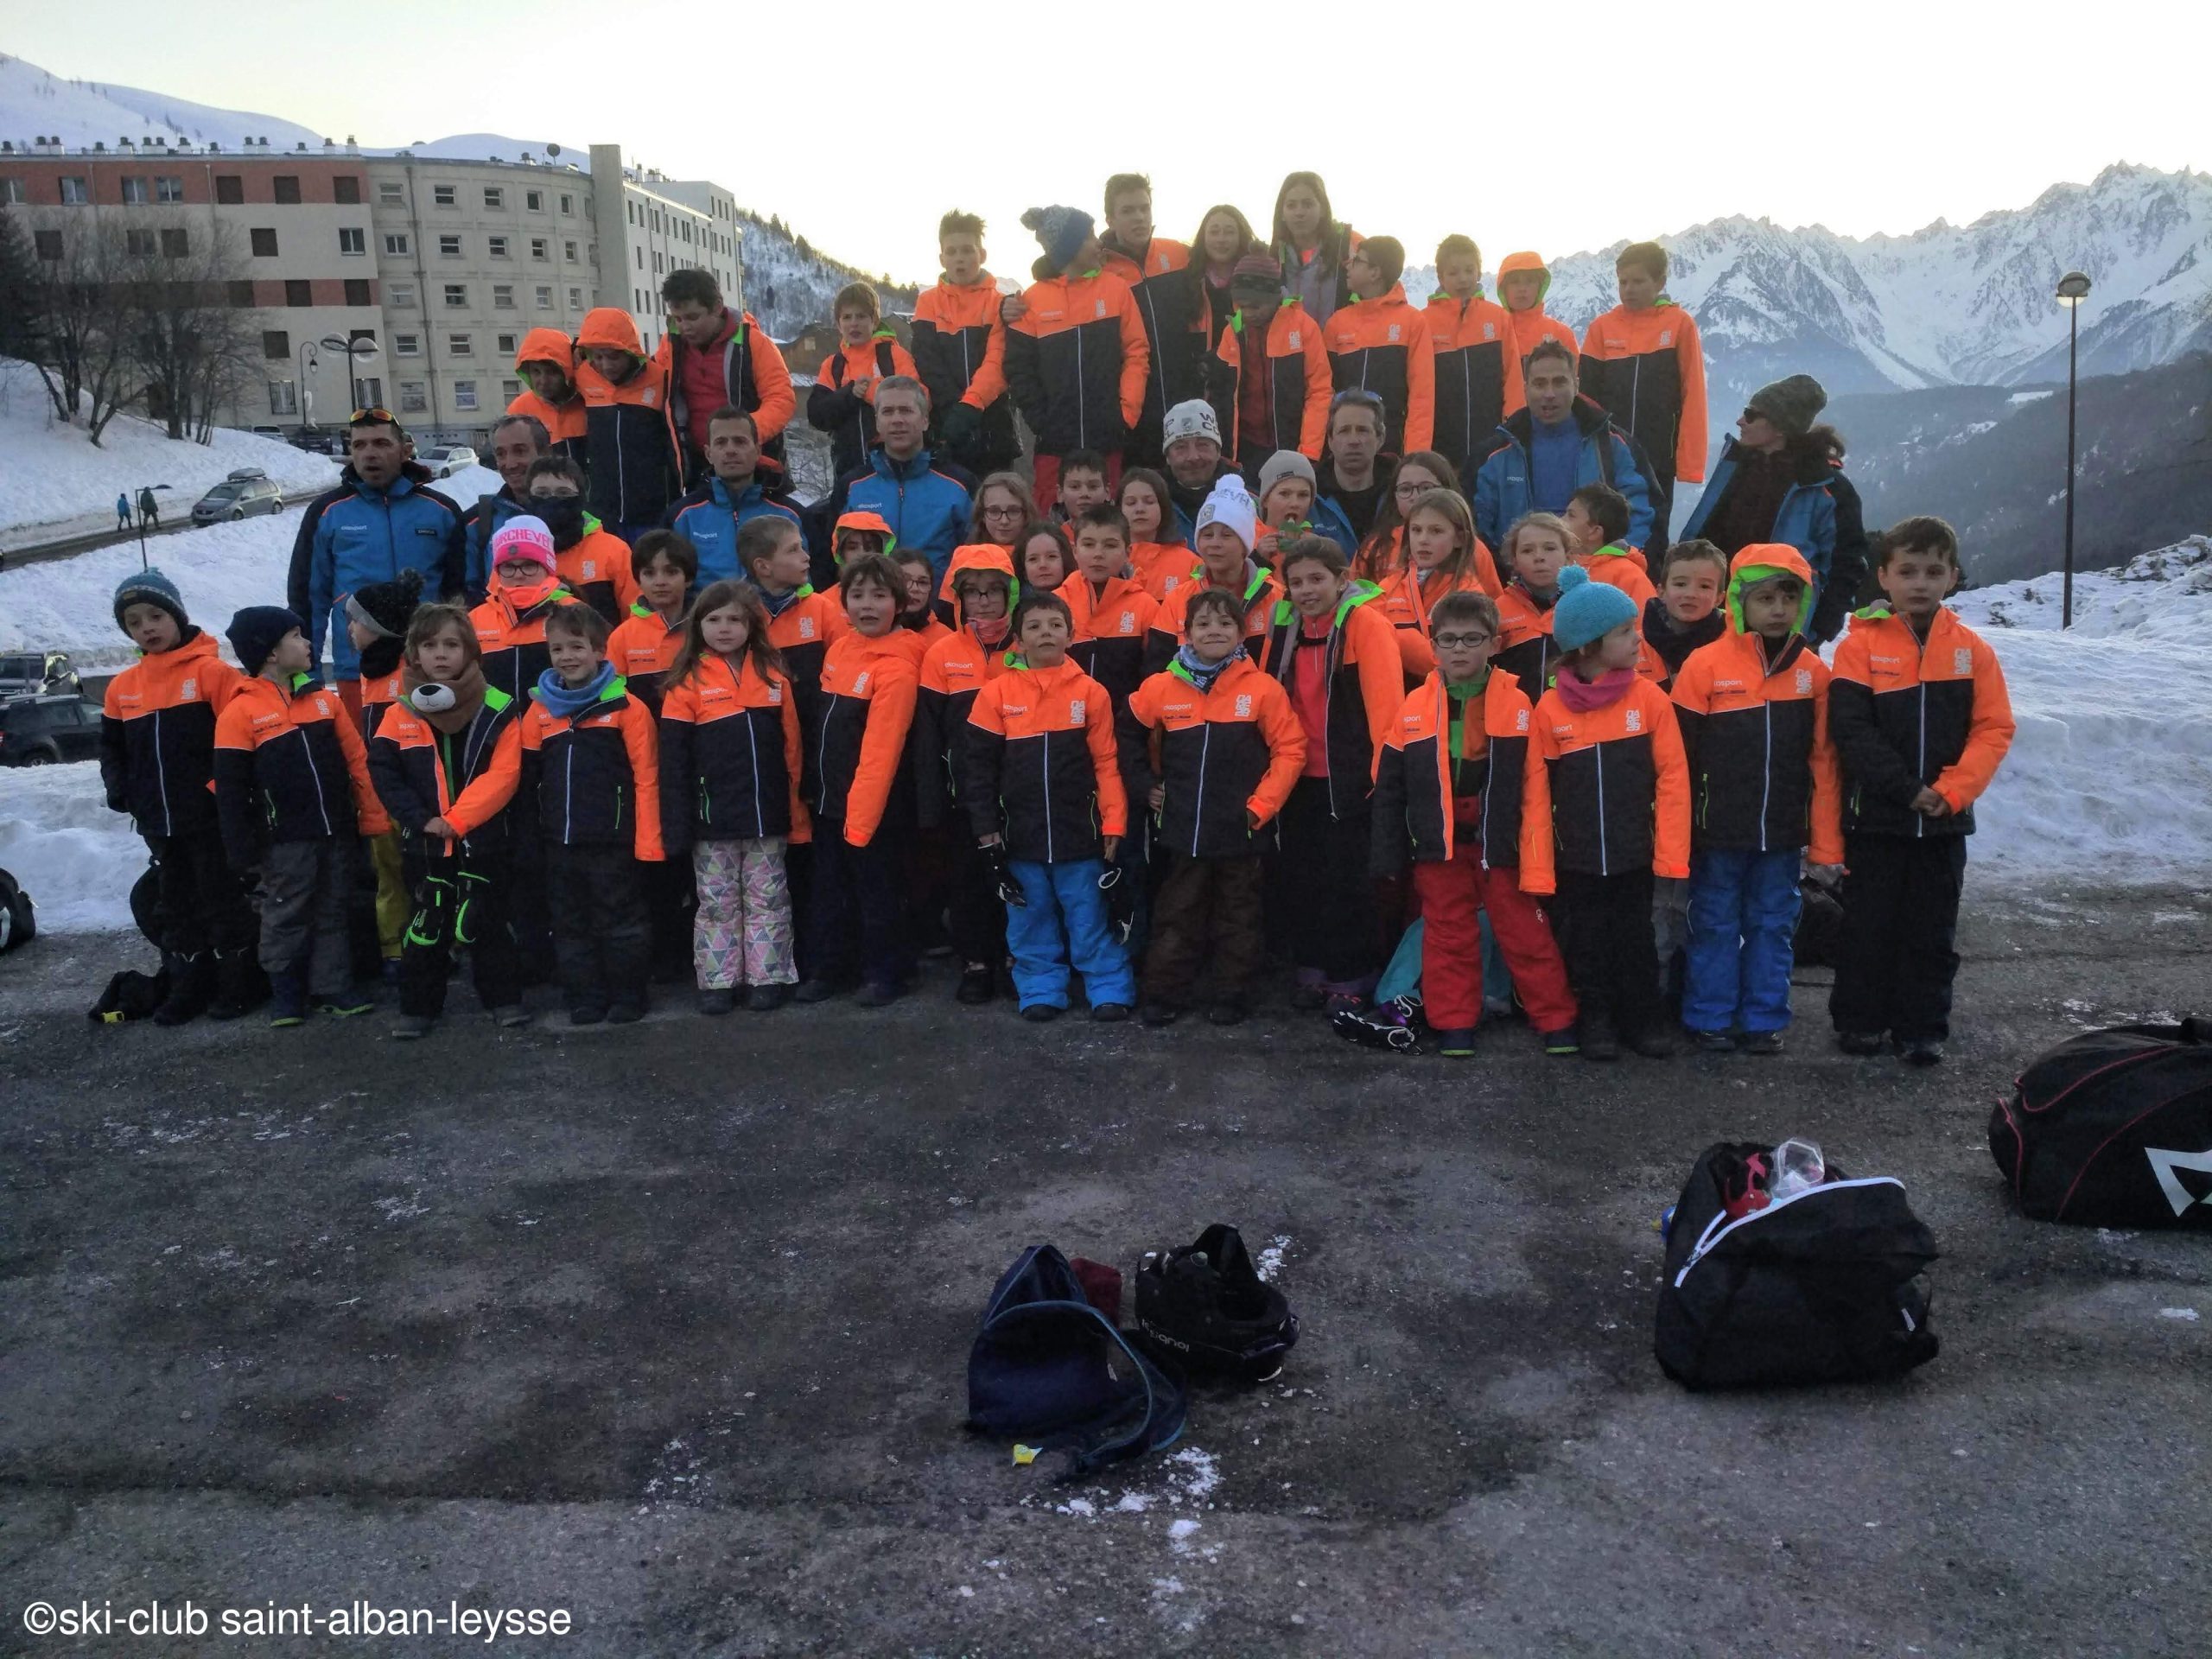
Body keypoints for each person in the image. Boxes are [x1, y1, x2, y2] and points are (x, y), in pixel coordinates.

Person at [1827, 517, 2015, 1065]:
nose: (1920, 582)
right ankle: (1860, 1022)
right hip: (1877, 821)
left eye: (1934, 571)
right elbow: (1851, 731)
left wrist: (1950, 792)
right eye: (1907, 571)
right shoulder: (1857, 649)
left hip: (1943, 824)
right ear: (1883, 576)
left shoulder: (1972, 651)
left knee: (1931, 930)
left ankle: (1922, 1026)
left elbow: (1994, 728)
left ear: (1953, 577)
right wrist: (1907, 790)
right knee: (1868, 926)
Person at [1370, 589, 1579, 1058]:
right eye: (1448, 640)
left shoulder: (1519, 702)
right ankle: (1453, 1023)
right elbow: (1389, 789)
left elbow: (1537, 783)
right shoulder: (1412, 708)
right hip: (1437, 843)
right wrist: (1387, 853)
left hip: (1499, 841)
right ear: (1433, 644)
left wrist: (1538, 848)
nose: (1459, 649)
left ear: (1493, 643)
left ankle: (1557, 1019)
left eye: (1472, 639)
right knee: (1447, 935)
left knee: (1524, 931)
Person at [1669, 547, 1844, 1055]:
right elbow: (1677, 760)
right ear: (1739, 602)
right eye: (1764, 598)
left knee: (1774, 925)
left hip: (1783, 833)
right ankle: (1709, 1016)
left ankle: (1763, 1018)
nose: (1777, 609)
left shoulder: (1814, 674)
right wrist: (1678, 833)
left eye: (1789, 598)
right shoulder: (1704, 666)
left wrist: (1825, 842)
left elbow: (1825, 763)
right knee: (1715, 923)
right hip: (1718, 829)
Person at [1520, 574, 1689, 1061]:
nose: (1638, 638)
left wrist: (1670, 852)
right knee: (1587, 943)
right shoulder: (1550, 710)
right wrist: (1539, 863)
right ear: (1589, 646)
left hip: (1635, 854)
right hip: (1577, 858)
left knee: (1638, 940)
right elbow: (1536, 792)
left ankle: (1642, 1019)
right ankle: (1594, 1019)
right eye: (1624, 632)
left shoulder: (1650, 698)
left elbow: (1673, 778)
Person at [1127, 586, 1306, 1025]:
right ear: (1185, 633)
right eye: (1203, 623)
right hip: (1182, 828)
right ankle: (1165, 994)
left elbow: (1292, 749)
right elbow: (1126, 738)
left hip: (1241, 830)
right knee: (1177, 914)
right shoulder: (1158, 688)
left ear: (1242, 633)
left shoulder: (1262, 690)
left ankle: (1232, 994)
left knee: (1238, 917)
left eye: (1225, 623)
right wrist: (1143, 785)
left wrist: (1261, 807)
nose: (1214, 631)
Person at [964, 590, 1136, 1020]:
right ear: (1018, 641)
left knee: (1090, 917)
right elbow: (979, 769)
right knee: (1029, 919)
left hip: (1080, 835)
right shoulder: (995, 695)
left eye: (1055, 625)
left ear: (1071, 635)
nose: (1046, 633)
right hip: (1020, 837)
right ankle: (1040, 987)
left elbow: (1107, 763)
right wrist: (986, 828)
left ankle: (1108, 986)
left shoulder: (1092, 694)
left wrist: (1113, 823)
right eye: (1035, 626)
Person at [214, 607, 389, 1027]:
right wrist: (242, 848)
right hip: (283, 840)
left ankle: (333, 986)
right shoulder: (239, 713)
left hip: (335, 830)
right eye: (296, 636)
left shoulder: (324, 702)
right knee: (284, 911)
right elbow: (231, 789)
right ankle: (286, 992)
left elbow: (357, 763)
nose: (308, 643)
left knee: (333, 907)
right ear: (271, 654)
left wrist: (372, 817)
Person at [367, 602, 530, 1039]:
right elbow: (384, 775)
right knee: (425, 927)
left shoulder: (498, 706)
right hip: (424, 843)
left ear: (471, 652)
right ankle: (419, 1008)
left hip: (484, 839)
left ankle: (504, 1000)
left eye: (452, 644)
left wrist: (457, 821)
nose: (441, 654)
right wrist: (421, 820)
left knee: (490, 921)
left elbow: (505, 775)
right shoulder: (398, 712)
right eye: (429, 644)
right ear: (414, 654)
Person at [100, 569, 254, 1025]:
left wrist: (217, 791)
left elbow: (243, 738)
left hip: (208, 819)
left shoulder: (213, 673)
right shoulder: (121, 688)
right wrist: (121, 790)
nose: (147, 627)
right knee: (177, 907)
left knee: (222, 900)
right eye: (134, 621)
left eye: (155, 615)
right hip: (158, 822)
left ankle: (239, 986)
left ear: (177, 615)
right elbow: (111, 748)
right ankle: (189, 988)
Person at [1259, 538, 1404, 1010]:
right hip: (1298, 776)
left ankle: (1353, 974)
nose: (1305, 590)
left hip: (1350, 778)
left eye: (1317, 579)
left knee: (1350, 881)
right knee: (1303, 876)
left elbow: (1387, 710)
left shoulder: (1367, 625)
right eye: (1296, 581)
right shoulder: (1285, 627)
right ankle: (1314, 964)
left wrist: (1383, 781)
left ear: (1342, 580)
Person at [658, 579, 807, 1014]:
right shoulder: (683, 685)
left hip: (767, 817)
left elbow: (792, 751)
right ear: (698, 624)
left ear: (752, 626)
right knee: (717, 903)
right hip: (712, 823)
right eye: (714, 619)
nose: (725, 628)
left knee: (768, 899)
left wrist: (795, 812)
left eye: (735, 619)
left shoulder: (775, 678)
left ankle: (767, 976)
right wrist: (677, 827)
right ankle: (719, 981)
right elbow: (673, 766)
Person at [519, 602, 664, 1026]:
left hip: (613, 842)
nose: (567, 656)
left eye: (577, 647)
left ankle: (628, 995)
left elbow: (648, 777)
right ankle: (584, 997)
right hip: (558, 843)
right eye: (558, 648)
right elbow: (525, 782)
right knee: (569, 925)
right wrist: (530, 840)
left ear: (600, 649)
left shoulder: (627, 708)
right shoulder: (539, 710)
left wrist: (648, 842)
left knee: (620, 921)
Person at [798, 553, 927, 1007]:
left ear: (899, 603)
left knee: (879, 893)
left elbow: (882, 750)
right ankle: (831, 968)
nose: (867, 605)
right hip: (831, 799)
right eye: (857, 595)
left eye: (879, 595)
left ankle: (886, 973)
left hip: (876, 810)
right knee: (830, 890)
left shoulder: (899, 665)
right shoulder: (840, 649)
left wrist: (861, 821)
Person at [289, 408, 467, 721]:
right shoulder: (327, 512)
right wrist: (307, 674)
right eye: (360, 445)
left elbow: (462, 596)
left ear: (405, 450)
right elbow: (308, 600)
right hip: (356, 668)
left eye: (381, 444)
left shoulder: (441, 511)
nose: (370, 454)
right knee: (364, 763)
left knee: (431, 762)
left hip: (428, 667)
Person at [1679, 374, 1869, 645]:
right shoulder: (1734, 467)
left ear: (1781, 427)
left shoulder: (1828, 488)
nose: (1740, 421)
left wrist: (1818, 628)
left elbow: (1846, 564)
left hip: (1783, 627)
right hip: (1716, 620)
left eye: (1751, 415)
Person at [916, 544, 1022, 1005]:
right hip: (964, 797)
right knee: (968, 883)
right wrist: (932, 800)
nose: (983, 601)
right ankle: (976, 962)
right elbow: (927, 736)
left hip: (1022, 794)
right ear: (957, 597)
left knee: (1022, 882)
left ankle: (1018, 961)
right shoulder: (941, 653)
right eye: (973, 592)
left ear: (1011, 593)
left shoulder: (1027, 644)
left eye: (994, 591)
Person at [1005, 205, 1149, 503]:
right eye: (1089, 236)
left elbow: (1136, 353)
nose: (1098, 242)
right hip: (1055, 444)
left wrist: (1126, 414)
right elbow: (1019, 369)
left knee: (1107, 524)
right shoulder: (1031, 300)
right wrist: (1042, 422)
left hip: (1107, 437)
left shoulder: (1116, 290)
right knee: (1052, 522)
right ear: (1067, 247)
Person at [1580, 242, 1707, 561]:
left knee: (1653, 529)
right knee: (1602, 526)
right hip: (1609, 452)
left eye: (1638, 282)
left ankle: (1645, 593)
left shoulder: (1679, 324)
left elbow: (1693, 393)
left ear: (1660, 282)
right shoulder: (1602, 328)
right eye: (1623, 282)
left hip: (1658, 453)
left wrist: (1688, 463)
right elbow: (1585, 400)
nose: (1629, 289)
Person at [1471, 339, 1653, 553]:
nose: (1549, 394)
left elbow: (1639, 512)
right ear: (1526, 389)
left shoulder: (1612, 445)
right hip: (1517, 578)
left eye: (1559, 382)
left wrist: (1614, 562)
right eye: (1540, 384)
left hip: (1597, 576)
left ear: (1576, 385)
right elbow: (1478, 525)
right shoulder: (1496, 453)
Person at [343, 570, 426, 978]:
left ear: (377, 626)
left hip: (413, 796)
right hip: (378, 797)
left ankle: (432, 943)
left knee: (422, 874)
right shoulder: (367, 671)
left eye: (354, 621)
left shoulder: (412, 670)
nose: (348, 631)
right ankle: (394, 950)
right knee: (388, 876)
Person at [817, 376, 976, 588]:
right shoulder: (852, 485)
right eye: (888, 411)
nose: (897, 419)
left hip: (938, 613)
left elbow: (975, 558)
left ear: (925, 420)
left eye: (906, 410)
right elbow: (832, 560)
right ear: (877, 422)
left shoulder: (960, 485)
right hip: (870, 612)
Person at [1096, 174, 1200, 470]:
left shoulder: (1179, 255)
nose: (1139, 217)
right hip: (1134, 413)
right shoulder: (1099, 270)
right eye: (1128, 211)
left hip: (1186, 402)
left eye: (1144, 208)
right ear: (1110, 219)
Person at [657, 267, 797, 481]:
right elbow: (651, 381)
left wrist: (740, 435)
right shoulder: (670, 345)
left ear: (717, 307)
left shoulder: (756, 344)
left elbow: (781, 400)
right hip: (695, 465)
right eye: (678, 319)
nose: (684, 327)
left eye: (693, 317)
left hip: (752, 467)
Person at [1204, 253, 1331, 480]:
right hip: (1245, 449)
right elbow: (1221, 395)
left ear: (1274, 297)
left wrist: (1309, 452)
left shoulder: (1304, 328)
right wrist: (1223, 453)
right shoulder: (1232, 332)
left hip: (1293, 446)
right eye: (1243, 306)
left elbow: (1319, 392)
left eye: (1256, 306)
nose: (1249, 313)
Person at [912, 210, 1019, 474]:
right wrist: (953, 410)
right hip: (945, 429)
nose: (960, 259)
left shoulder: (999, 303)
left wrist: (970, 406)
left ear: (982, 255)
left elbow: (998, 361)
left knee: (999, 508)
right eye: (952, 252)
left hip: (994, 428)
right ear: (942, 258)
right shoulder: (928, 302)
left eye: (967, 250)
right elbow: (927, 362)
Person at [1145, 479, 1281, 671]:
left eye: (1226, 535)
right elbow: (1156, 670)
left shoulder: (1276, 597)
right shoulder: (1178, 600)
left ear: (1245, 544)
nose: (1215, 544)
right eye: (1207, 535)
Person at [575, 308, 683, 545]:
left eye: (614, 356)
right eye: (598, 357)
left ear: (630, 351)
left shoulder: (659, 378)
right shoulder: (583, 376)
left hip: (652, 510)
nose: (605, 365)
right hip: (603, 512)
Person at [1426, 235, 1526, 488]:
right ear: (1440, 278)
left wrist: (1515, 429)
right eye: (1453, 272)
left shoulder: (1498, 318)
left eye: (1469, 270)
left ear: (1479, 272)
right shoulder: (1423, 322)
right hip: (1442, 442)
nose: (1462, 279)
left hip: (1491, 439)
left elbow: (1513, 376)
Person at [665, 406, 806, 585]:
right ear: (709, 454)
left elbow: (814, 581)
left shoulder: (791, 515)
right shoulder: (682, 516)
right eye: (721, 443)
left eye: (739, 442)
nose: (730, 450)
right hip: (707, 611)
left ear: (757, 451)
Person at [1323, 236, 1434, 459]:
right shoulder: (1338, 321)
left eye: (1356, 261)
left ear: (1375, 272)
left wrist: (1415, 457)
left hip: (1391, 447)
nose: (1348, 265)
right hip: (1343, 447)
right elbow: (1324, 390)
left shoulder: (1412, 321)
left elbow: (1422, 395)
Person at [1377, 487, 1503, 678]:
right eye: (1416, 530)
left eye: (1436, 531)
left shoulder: (1470, 593)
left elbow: (1455, 663)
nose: (1423, 540)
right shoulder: (1389, 586)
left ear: (1460, 539)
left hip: (1449, 701)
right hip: (1397, 698)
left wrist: (1398, 639)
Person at [807, 280, 922, 481]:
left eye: (861, 316)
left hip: (896, 467)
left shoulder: (894, 356)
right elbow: (817, 415)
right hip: (847, 469)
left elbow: (920, 400)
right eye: (847, 317)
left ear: (875, 321)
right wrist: (849, 393)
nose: (854, 323)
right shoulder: (833, 365)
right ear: (838, 324)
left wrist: (873, 392)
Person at [1058, 502, 1160, 715]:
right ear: (1075, 551)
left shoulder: (1145, 606)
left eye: (1110, 545)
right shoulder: (1057, 603)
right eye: (1088, 544)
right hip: (1064, 725)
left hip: (1126, 725)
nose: (1098, 554)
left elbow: (1155, 675)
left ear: (1128, 552)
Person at [470, 514, 579, 703]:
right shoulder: (475, 620)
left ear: (548, 566)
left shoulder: (575, 612)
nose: (518, 575)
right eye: (508, 567)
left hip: (556, 727)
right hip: (497, 728)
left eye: (529, 565)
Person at [524, 455, 638, 625]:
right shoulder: (514, 553)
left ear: (581, 497)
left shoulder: (613, 550)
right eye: (542, 493)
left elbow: (636, 620)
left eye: (563, 493)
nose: (553, 500)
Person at [462, 412, 550, 604]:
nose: (509, 464)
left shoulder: (574, 515)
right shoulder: (478, 521)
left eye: (520, 451)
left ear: (545, 453)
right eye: (501, 454)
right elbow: (471, 594)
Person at [607, 528, 696, 713]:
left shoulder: (705, 629)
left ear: (688, 578)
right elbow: (614, 703)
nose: (660, 581)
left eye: (671, 572)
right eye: (649, 573)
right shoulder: (621, 637)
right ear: (638, 580)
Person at [1492, 512, 1576, 695]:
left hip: (1572, 716)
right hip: (1517, 717)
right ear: (1515, 561)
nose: (1539, 557)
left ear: (1568, 557)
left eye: (1550, 548)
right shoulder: (1498, 610)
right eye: (1527, 550)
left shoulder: (1584, 605)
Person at [1354, 451, 1459, 582]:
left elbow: (1488, 599)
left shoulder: (1468, 545)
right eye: (1406, 489)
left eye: (1426, 488)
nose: (1416, 497)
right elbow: (1354, 598)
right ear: (1394, 496)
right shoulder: (1375, 547)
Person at [1271, 172, 1360, 326]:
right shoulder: (1272, 257)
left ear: (1323, 210)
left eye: (1308, 204)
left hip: (1343, 345)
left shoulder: (1349, 244)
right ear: (1282, 214)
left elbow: (1385, 295)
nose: (1299, 212)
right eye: (1291, 205)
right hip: (1293, 347)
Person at [1640, 540, 1728, 690]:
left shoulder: (1732, 644)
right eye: (1680, 584)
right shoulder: (1634, 645)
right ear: (1661, 592)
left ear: (1719, 598)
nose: (1691, 594)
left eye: (1705, 586)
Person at [1316, 390, 1392, 546]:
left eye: (1363, 430)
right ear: (1330, 440)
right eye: (1344, 431)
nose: (1353, 440)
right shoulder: (1309, 496)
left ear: (1380, 438)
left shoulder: (1402, 492)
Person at [1254, 449, 1357, 565]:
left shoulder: (1319, 539)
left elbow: (1346, 579)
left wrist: (1323, 554)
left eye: (1303, 495)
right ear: (1265, 500)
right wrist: (1258, 559)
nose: (1295, 503)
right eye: (1284, 494)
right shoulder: (1247, 537)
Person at [1562, 483, 1657, 606]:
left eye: (1571, 515)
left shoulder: (1629, 577)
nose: (1560, 520)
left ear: (1595, 532)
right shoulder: (1555, 566)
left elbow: (1644, 623)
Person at [1160, 399, 1242, 541]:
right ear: (1167, 456)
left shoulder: (1247, 500)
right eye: (1181, 447)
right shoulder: (1150, 503)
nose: (1193, 457)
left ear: (1218, 451)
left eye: (1202, 445)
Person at [507, 328, 588, 462]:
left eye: (552, 372)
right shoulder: (520, 410)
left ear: (566, 371)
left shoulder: (587, 401)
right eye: (536, 372)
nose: (543, 381)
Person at [1191, 203, 1265, 343]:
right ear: (1203, 237)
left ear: (1240, 237)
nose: (1221, 239)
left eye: (1229, 232)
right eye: (1214, 232)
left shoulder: (1257, 282)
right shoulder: (1189, 282)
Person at [1496, 251, 1579, 367]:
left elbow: (1575, 379)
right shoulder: (1493, 333)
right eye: (1514, 282)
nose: (1522, 289)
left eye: (1529, 281)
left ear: (1540, 287)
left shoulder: (1561, 334)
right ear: (1503, 288)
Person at [1118, 467, 1189, 599]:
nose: (1140, 509)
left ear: (1163, 507)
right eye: (1131, 503)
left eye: (1149, 502)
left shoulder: (1191, 563)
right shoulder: (1108, 561)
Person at [893, 548, 953, 649]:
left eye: (922, 582)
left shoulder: (946, 639)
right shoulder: (871, 631)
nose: (915, 589)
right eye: (905, 580)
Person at [967, 472, 1036, 550]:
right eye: (994, 511)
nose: (1004, 521)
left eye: (1013, 511)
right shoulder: (966, 557)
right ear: (982, 515)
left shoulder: (1042, 558)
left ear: (1026, 514)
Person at [1051, 451, 1112, 524]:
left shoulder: (1119, 533)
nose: (1084, 494)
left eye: (1093, 486)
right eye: (1075, 487)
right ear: (1060, 494)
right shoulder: (1052, 534)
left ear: (1107, 492)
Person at [1017, 520, 1072, 594]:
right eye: (1033, 559)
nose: (1043, 565)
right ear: (1023, 569)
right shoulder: (1011, 603)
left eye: (1052, 557)